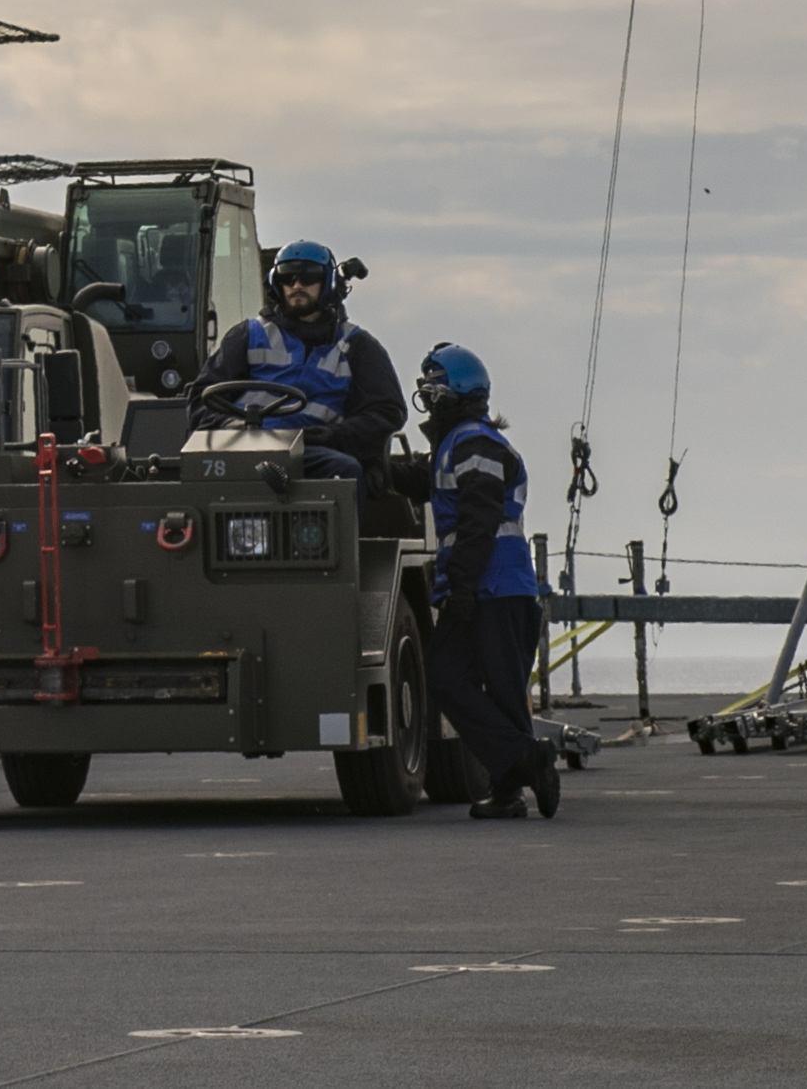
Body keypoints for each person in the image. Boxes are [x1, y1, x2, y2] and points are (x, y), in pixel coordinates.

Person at [419, 344, 562, 822]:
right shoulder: (460, 444)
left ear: (457, 389)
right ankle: (515, 777)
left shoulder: (474, 445)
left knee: (451, 677)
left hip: (493, 589)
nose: (427, 396)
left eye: (433, 386)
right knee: (494, 687)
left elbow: (478, 521)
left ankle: (516, 772)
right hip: (498, 587)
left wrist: (460, 587)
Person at [199, 240, 404, 481]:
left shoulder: (357, 345)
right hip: (242, 450)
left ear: (328, 283)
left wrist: (332, 436)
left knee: (345, 470)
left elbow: (387, 412)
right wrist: (231, 426)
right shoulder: (247, 335)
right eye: (288, 277)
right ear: (277, 283)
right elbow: (201, 400)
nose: (297, 285)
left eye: (308, 278)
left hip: (314, 453)